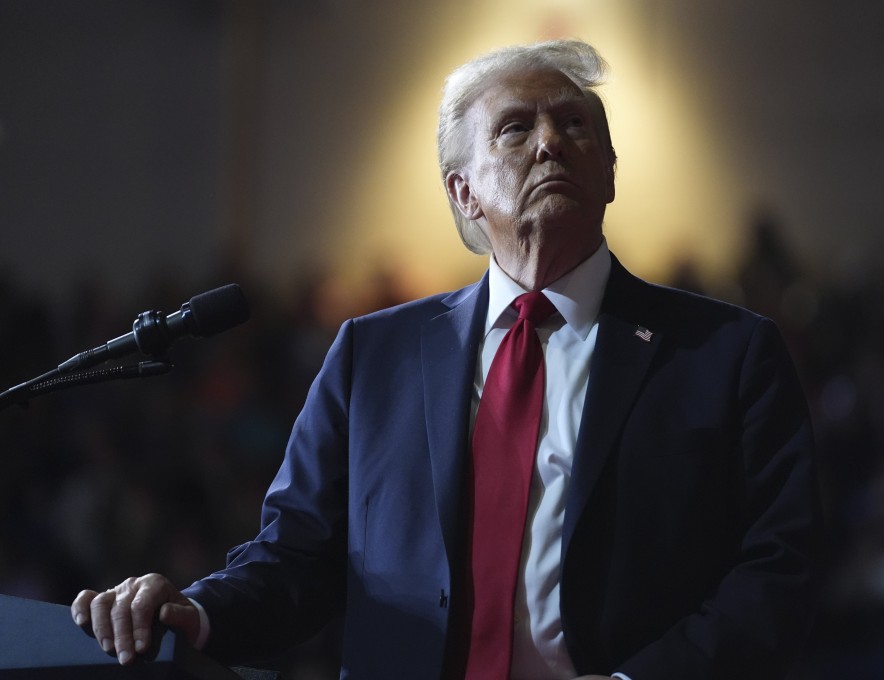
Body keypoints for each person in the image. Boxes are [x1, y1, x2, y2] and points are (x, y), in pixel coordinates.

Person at [72, 39, 822, 679]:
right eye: (515, 129)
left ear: (610, 173)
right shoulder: (374, 355)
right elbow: (296, 554)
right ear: (464, 193)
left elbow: (781, 567)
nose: (551, 143)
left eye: (574, 125)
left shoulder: (725, 354)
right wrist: (196, 608)